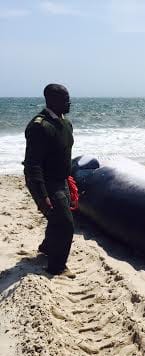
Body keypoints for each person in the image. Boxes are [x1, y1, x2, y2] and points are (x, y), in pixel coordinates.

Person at [23, 83, 75, 276]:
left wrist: (69, 177)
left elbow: (62, 153)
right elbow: (32, 164)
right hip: (46, 182)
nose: (69, 102)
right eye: (65, 99)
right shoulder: (39, 126)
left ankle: (46, 247)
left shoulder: (65, 124)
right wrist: (41, 194)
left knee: (58, 218)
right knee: (65, 223)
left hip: (62, 180)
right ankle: (57, 266)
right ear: (51, 100)